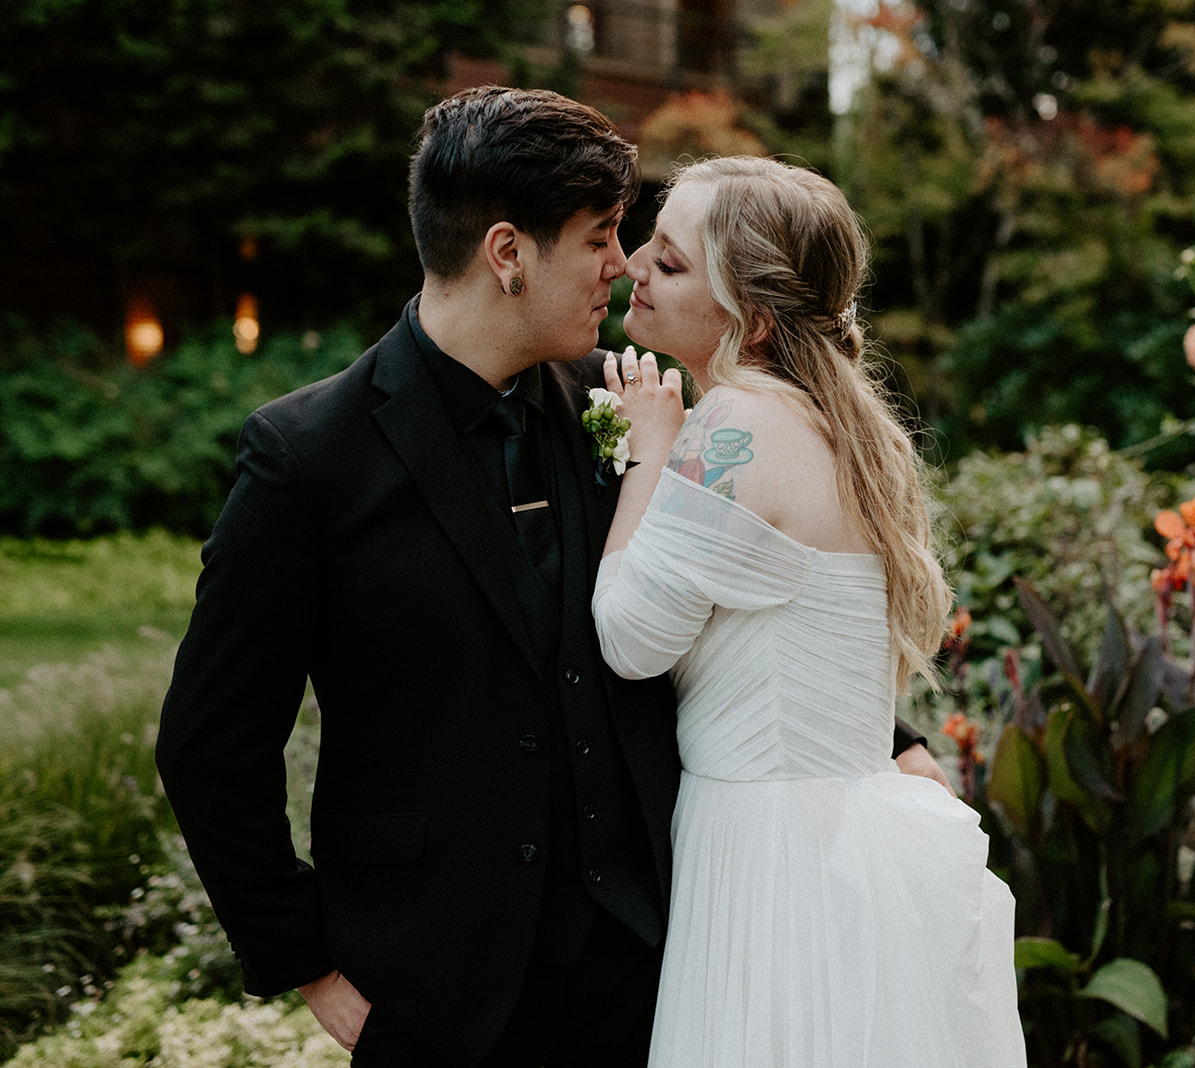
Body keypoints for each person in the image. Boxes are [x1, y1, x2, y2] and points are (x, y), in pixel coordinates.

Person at [156, 87, 942, 1067]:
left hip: (655, 967)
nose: (624, 264)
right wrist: (311, 967)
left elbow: (732, 585)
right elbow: (209, 743)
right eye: (601, 236)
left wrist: (881, 740)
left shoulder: (624, 404)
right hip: (439, 992)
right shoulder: (310, 457)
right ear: (507, 254)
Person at [591, 156, 1027, 1066]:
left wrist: (650, 451)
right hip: (837, 844)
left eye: (669, 263)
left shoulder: (733, 425)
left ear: (749, 320)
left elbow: (629, 638)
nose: (633, 263)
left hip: (772, 858)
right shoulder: (843, 426)